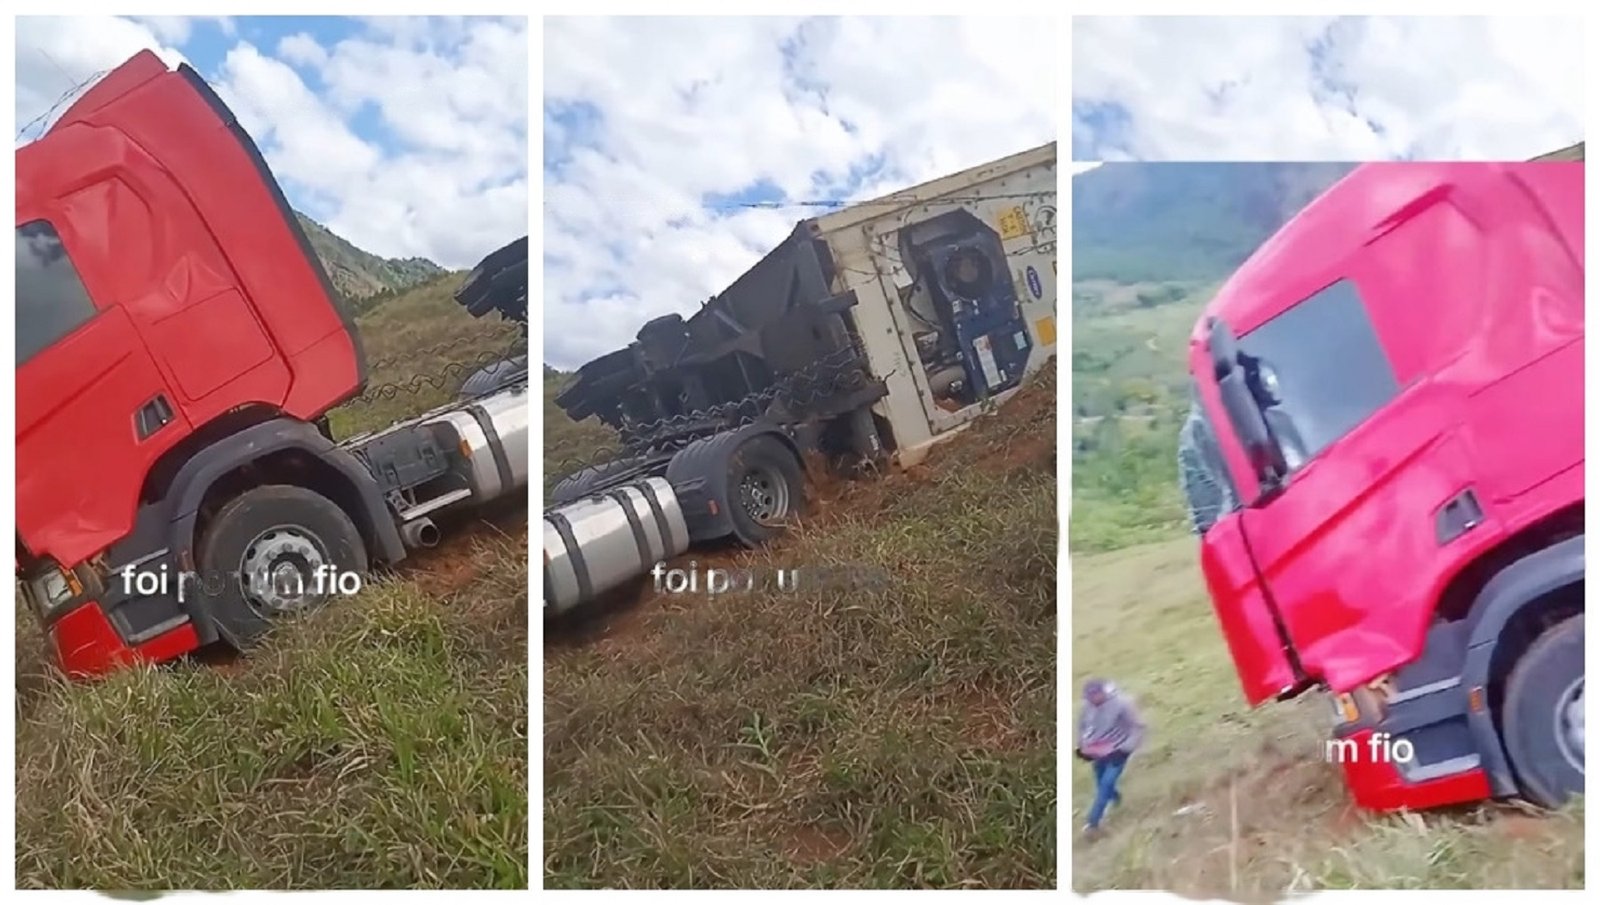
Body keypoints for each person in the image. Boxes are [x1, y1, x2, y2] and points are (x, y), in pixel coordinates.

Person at [1076, 678, 1145, 835]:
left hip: (1118, 751)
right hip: (1098, 752)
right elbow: (1081, 727)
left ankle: (1093, 822)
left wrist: (1126, 748)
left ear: (1103, 692)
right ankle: (1115, 798)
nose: (1093, 699)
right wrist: (1081, 747)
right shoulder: (1086, 708)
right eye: (1089, 696)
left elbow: (1138, 727)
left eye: (1095, 695)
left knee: (1106, 784)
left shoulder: (1122, 704)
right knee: (1101, 783)